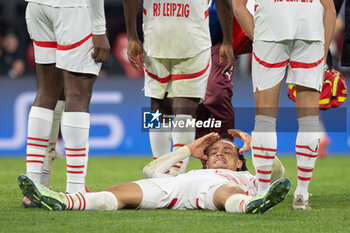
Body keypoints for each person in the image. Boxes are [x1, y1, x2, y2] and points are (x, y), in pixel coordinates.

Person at [18, 132, 291, 214]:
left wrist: (255, 149)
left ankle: (250, 206)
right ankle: (61, 201)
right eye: (214, 151)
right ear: (205, 162)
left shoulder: (247, 179)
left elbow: (278, 174)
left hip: (215, 191)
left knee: (226, 193)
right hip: (177, 189)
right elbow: (151, 170)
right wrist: (186, 150)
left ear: (240, 162)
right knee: (117, 193)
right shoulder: (187, 174)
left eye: (228, 151)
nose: (219, 153)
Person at [232, 0, 336, 210]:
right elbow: (330, 9)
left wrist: (259, 38)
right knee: (308, 120)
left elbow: (238, 6)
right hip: (310, 31)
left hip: (270, 29)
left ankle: (262, 190)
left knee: (264, 118)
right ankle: (302, 195)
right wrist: (322, 55)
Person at [124, 0, 234, 175]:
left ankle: (162, 173)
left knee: (158, 107)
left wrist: (132, 36)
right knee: (183, 110)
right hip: (190, 39)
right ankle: (171, 175)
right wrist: (227, 41)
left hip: (158, 37)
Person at [23, 0, 110, 207]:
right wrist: (99, 28)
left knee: (46, 92)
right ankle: (75, 189)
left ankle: (35, 185)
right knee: (78, 94)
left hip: (37, 7)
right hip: (74, 8)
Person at [196, 0, 236, 141]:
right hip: (182, 43)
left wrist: (227, 41)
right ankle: (206, 157)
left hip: (218, 41)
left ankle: (225, 148)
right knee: (193, 103)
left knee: (216, 94)